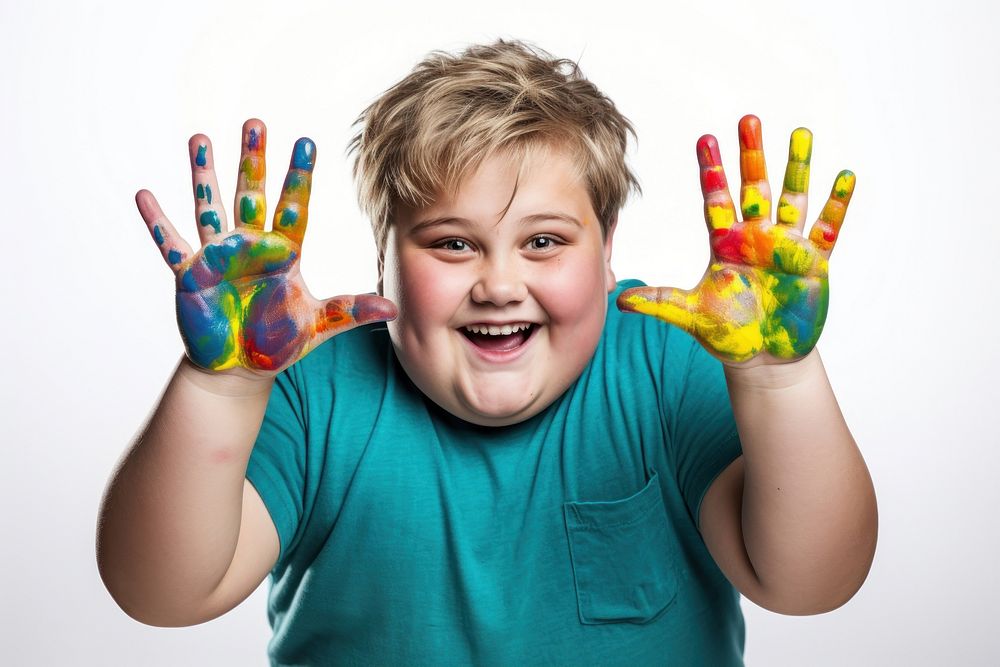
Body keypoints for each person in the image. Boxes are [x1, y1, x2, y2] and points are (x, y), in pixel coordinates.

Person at [96, 39, 877, 665]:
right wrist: (221, 387)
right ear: (384, 258)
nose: (500, 283)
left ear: (607, 251)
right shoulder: (313, 387)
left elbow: (811, 582)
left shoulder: (665, 362)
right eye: (453, 244)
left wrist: (778, 378)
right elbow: (160, 593)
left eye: (543, 241)